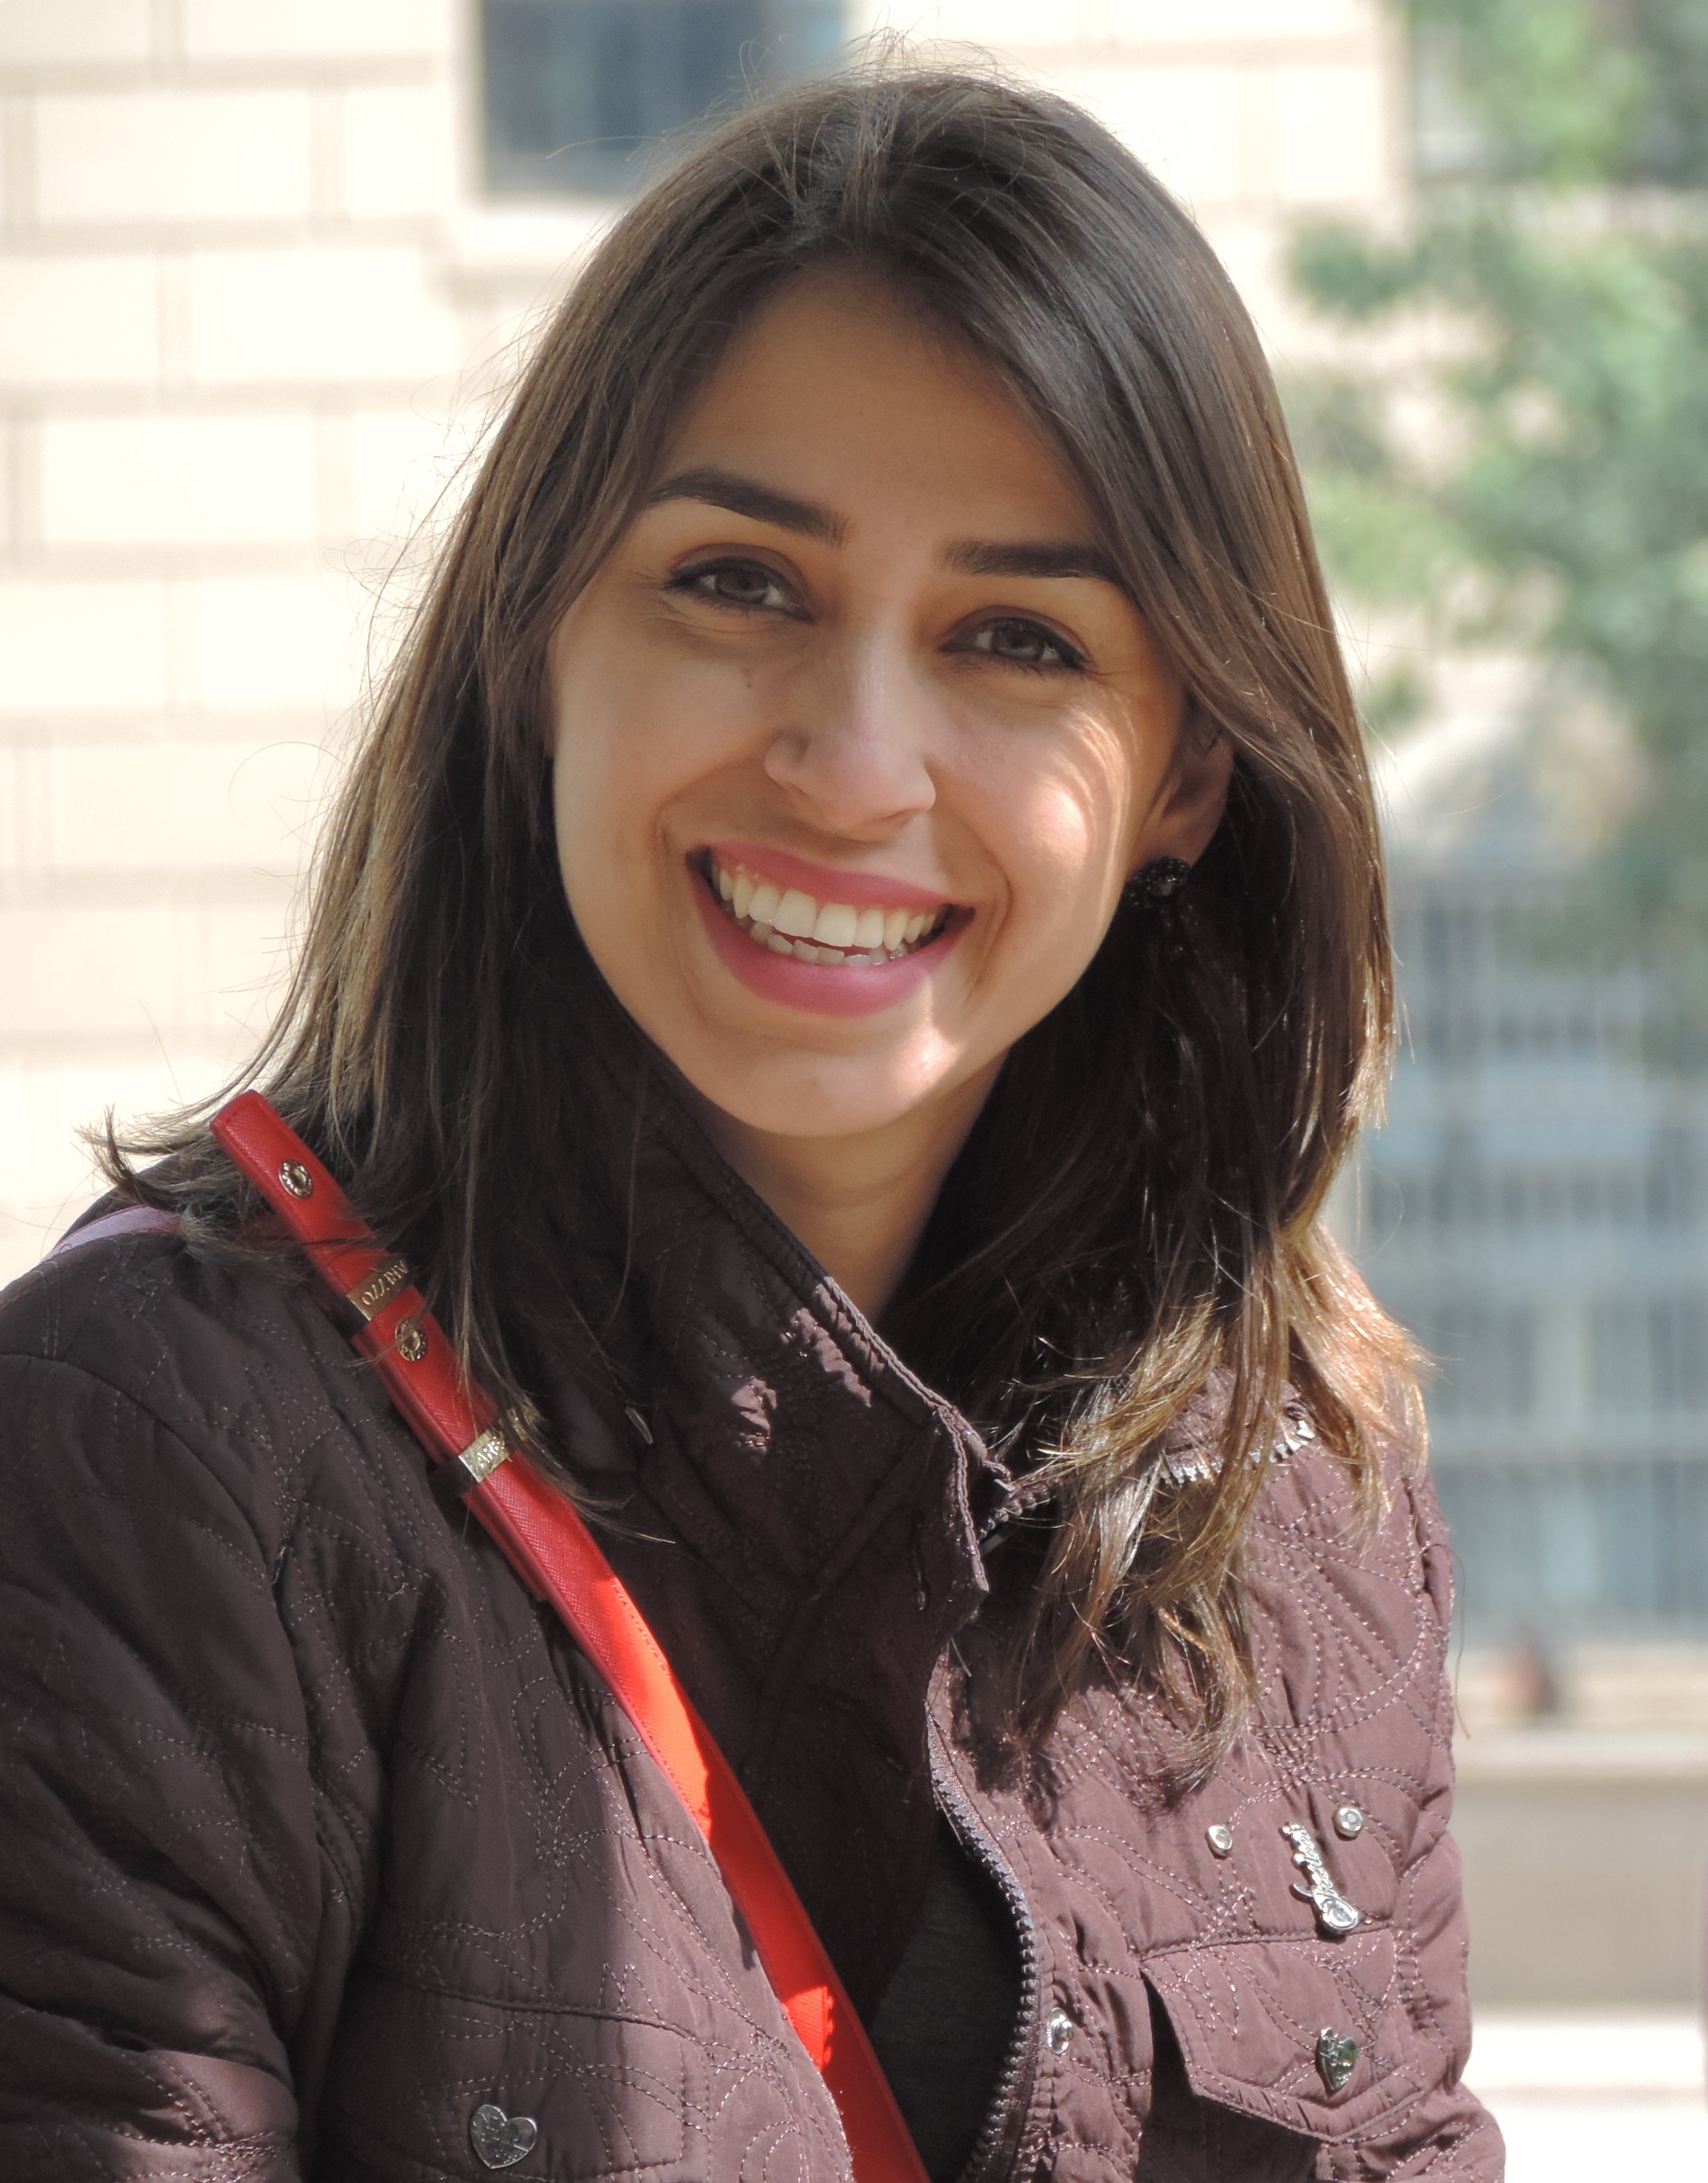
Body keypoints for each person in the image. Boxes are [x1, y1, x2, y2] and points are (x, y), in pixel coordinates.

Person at [0, 64, 1500, 2183]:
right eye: (738, 582)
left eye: (1016, 637)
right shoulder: (159, 1459)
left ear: (1184, 777)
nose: (853, 762)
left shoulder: (1296, 1495)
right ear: (537, 643)